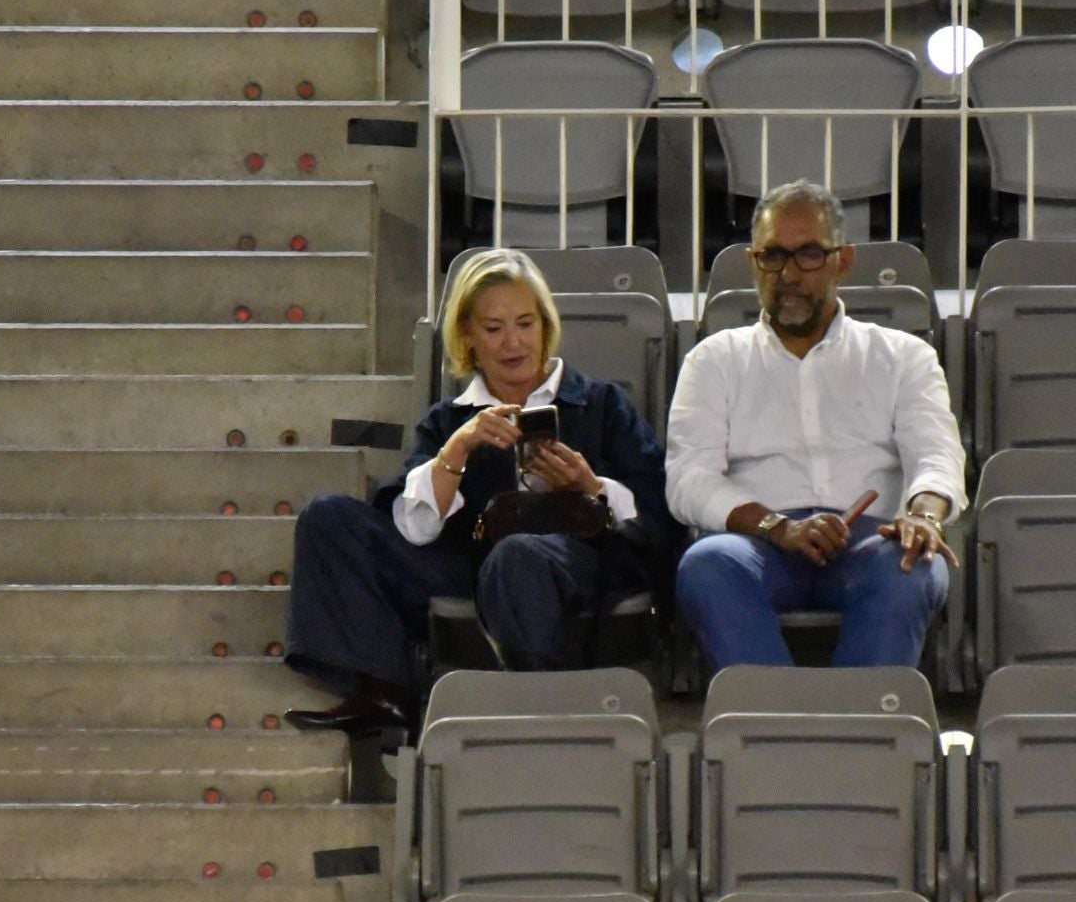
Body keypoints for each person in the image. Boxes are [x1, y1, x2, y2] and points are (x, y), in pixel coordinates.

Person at [283, 249, 674, 736]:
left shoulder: (600, 403)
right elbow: (414, 528)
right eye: (493, 329)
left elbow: (656, 508)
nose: (513, 342)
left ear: (544, 325)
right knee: (329, 518)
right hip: (468, 562)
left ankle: (538, 712)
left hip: (581, 563)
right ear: (467, 334)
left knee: (518, 555)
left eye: (525, 324)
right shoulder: (450, 419)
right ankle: (382, 690)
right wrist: (458, 449)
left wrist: (589, 486)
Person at [667, 180, 966, 670]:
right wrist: (777, 526)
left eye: (808, 255)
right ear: (752, 262)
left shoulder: (901, 356)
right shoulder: (714, 360)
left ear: (842, 261)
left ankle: (864, 728)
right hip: (758, 543)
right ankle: (769, 724)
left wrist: (924, 515)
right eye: (772, 256)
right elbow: (688, 480)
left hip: (871, 543)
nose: (787, 274)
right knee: (708, 564)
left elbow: (937, 455)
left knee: (912, 566)